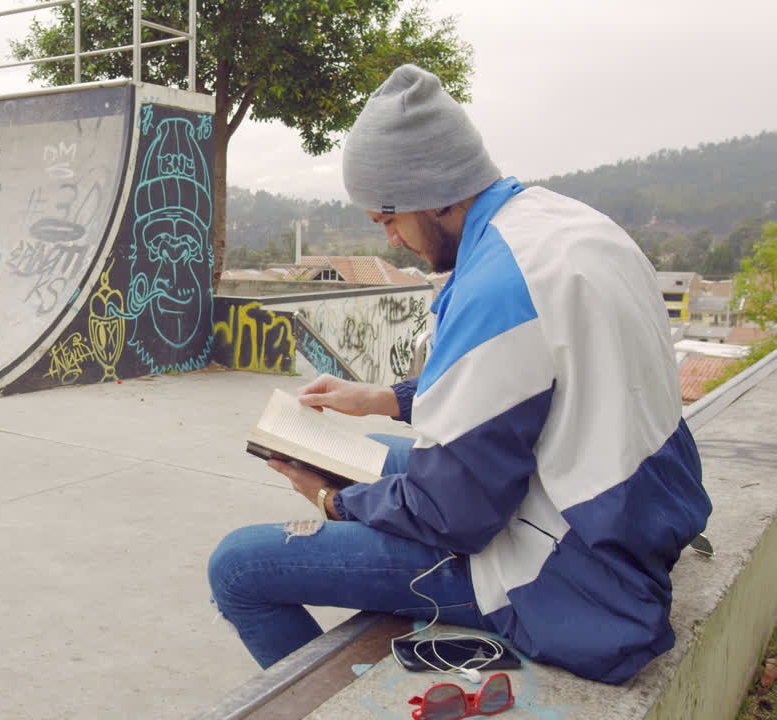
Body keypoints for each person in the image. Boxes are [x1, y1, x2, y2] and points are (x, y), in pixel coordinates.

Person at [207, 64, 712, 685]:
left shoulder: (495, 289)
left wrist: (329, 499)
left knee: (235, 567)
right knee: (378, 453)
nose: (390, 239)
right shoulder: (562, 226)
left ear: (436, 192)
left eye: (387, 218)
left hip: (568, 567)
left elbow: (453, 515)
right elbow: (530, 388)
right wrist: (381, 399)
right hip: (623, 511)